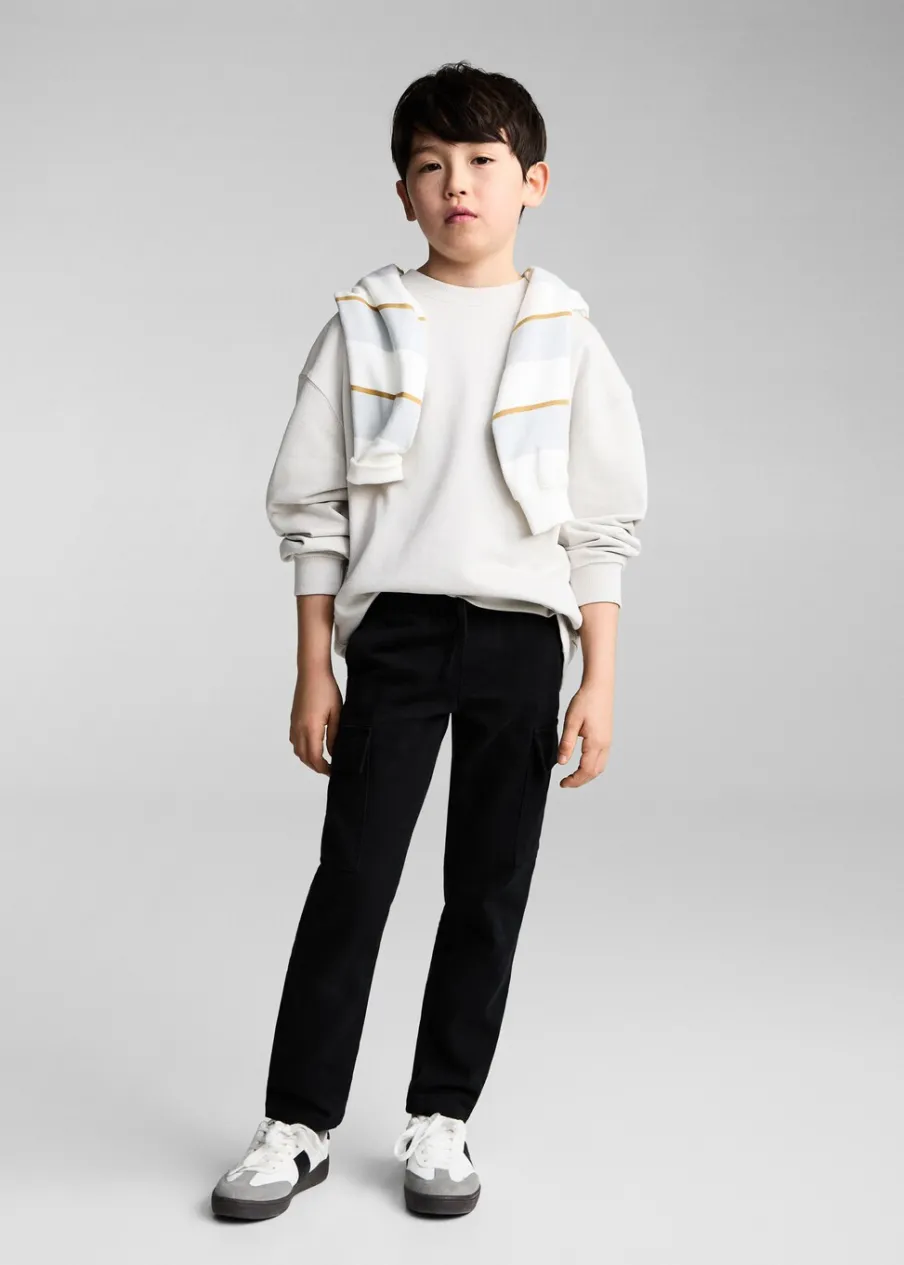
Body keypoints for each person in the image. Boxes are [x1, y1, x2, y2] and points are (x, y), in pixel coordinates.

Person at [210, 58, 648, 1222]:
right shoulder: (365, 324)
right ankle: (298, 1122)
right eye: (430, 165)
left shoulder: (566, 333)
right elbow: (315, 511)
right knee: (353, 877)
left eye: (483, 161)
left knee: (487, 887)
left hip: (521, 641)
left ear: (533, 181)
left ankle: (440, 1112)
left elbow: (600, 523)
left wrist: (599, 676)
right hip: (396, 634)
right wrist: (313, 665)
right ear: (402, 191)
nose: (458, 184)